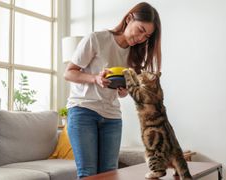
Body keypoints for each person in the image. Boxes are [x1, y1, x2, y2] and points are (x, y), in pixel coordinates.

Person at [64, 2, 162, 178]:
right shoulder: (96, 39)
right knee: (88, 173)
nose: (141, 38)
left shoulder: (134, 55)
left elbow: (121, 92)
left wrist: (123, 92)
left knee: (110, 173)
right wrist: (95, 78)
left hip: (112, 117)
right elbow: (69, 73)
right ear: (129, 18)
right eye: (140, 30)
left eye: (146, 36)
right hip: (83, 111)